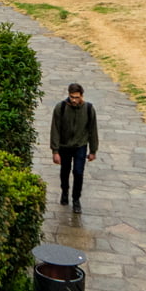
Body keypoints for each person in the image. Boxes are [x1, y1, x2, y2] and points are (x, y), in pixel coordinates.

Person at [49, 82, 98, 211]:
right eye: (72, 97)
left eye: (77, 97)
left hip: (80, 145)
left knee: (78, 172)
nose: (74, 100)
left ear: (82, 96)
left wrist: (93, 150)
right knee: (65, 171)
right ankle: (64, 192)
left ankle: (76, 199)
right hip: (64, 145)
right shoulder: (61, 108)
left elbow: (93, 130)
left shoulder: (88, 109)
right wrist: (55, 151)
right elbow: (55, 129)